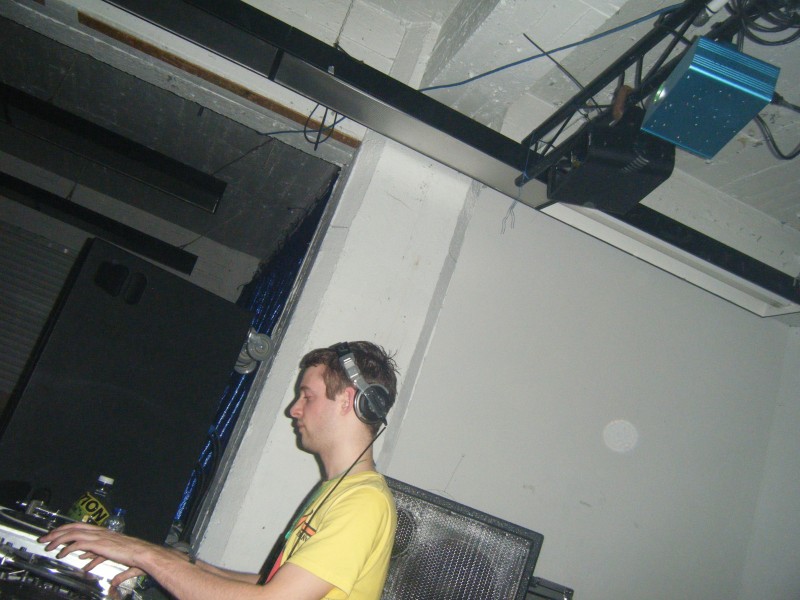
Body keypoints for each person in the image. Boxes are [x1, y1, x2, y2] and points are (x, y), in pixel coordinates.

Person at [40, 341, 399, 600]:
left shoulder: (365, 502)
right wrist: (184, 563)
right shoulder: (338, 490)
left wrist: (143, 554)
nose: (294, 409)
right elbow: (271, 583)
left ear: (349, 401)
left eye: (308, 396)